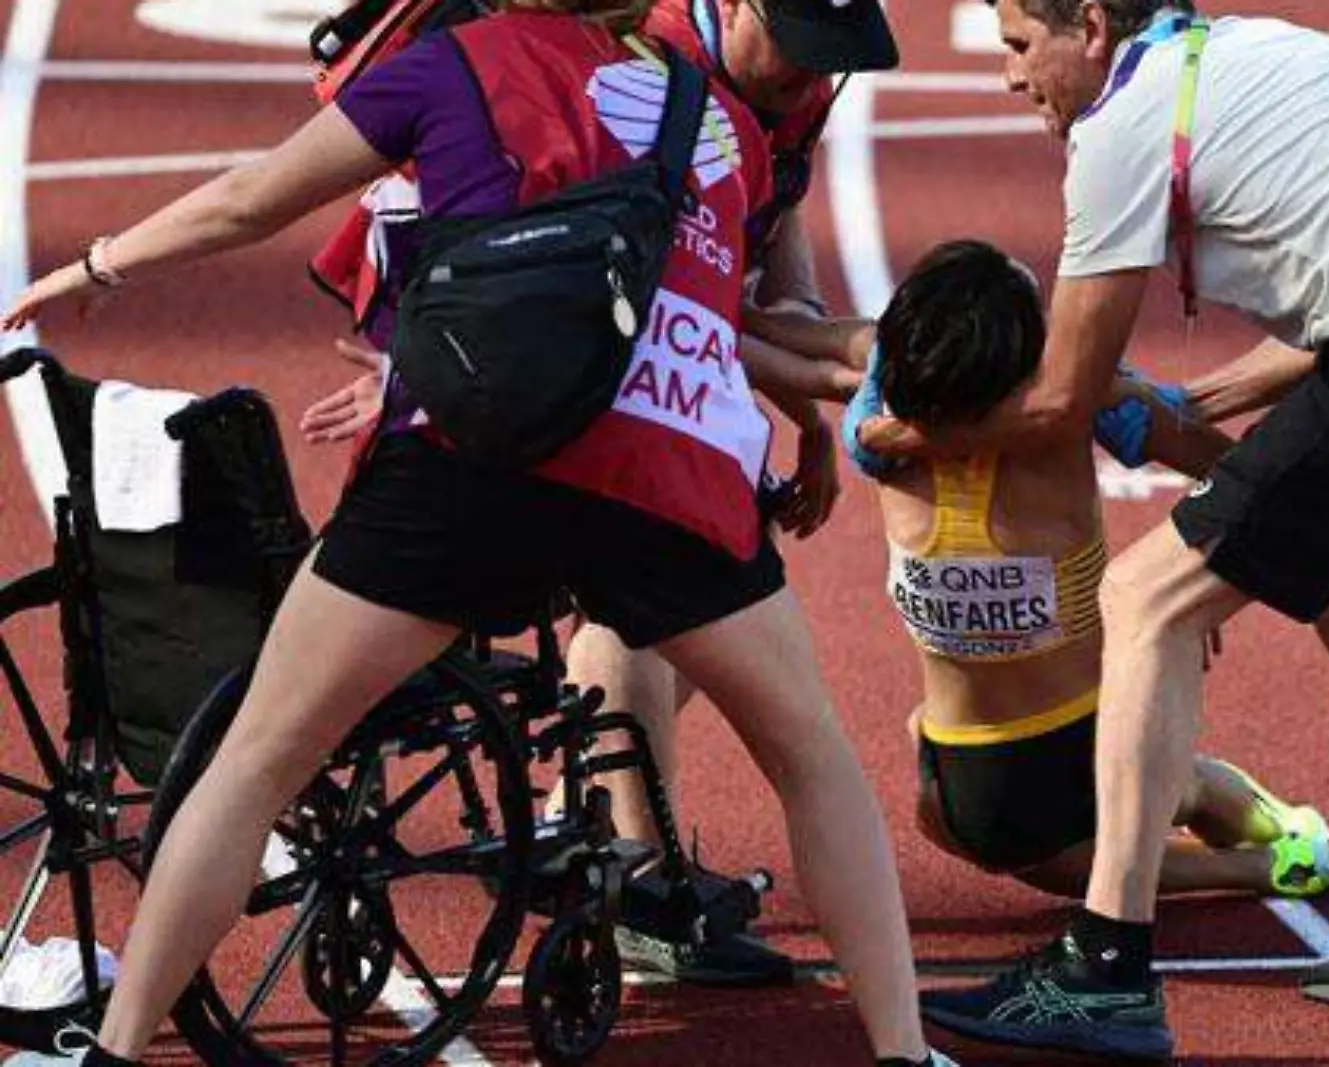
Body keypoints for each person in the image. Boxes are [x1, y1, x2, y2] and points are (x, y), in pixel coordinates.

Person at [0, 2, 949, 1064]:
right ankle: (906, 1050)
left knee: (257, 757)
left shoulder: (452, 62)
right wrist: (825, 411)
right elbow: (704, 309)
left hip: (471, 464)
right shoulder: (716, 118)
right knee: (814, 756)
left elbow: (249, 200)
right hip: (665, 474)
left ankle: (116, 1053)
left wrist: (91, 267)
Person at [869, 0, 1329, 1059]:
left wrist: (897, 423)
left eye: (1020, 47)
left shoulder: (1120, 132)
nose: (1008, 78)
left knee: (1143, 597)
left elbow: (1060, 400)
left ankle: (1106, 964)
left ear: (1087, 25)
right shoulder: (1252, 51)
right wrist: (1199, 408)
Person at [300, 0, 891, 988]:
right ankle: (635, 882)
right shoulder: (646, 60)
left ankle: (608, 823)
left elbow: (768, 272)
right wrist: (419, 368)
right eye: (798, 51)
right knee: (638, 577)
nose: (811, 79)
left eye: (831, 63)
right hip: (490, 286)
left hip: (617, 307)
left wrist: (817, 405)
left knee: (688, 606)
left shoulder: (795, 83)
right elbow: (647, 294)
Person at [746, 238, 1329, 900]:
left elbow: (831, 344)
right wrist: (1194, 573)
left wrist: (741, 317)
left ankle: (1246, 849)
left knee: (998, 829)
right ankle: (1240, 834)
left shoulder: (886, 418)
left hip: (978, 773)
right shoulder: (1080, 409)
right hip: (1089, 735)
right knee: (1139, 800)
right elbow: (1231, 474)